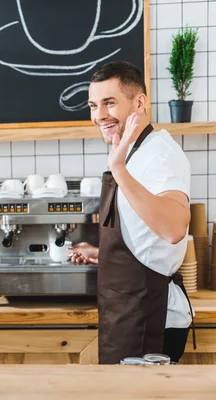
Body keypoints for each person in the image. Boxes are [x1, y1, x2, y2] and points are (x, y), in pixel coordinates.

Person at [69, 61, 194, 364]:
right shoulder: (135, 152)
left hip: (150, 318)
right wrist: (105, 253)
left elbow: (174, 227)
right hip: (129, 310)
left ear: (138, 102)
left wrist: (118, 169)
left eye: (110, 103)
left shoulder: (160, 154)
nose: (99, 115)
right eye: (93, 105)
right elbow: (148, 232)